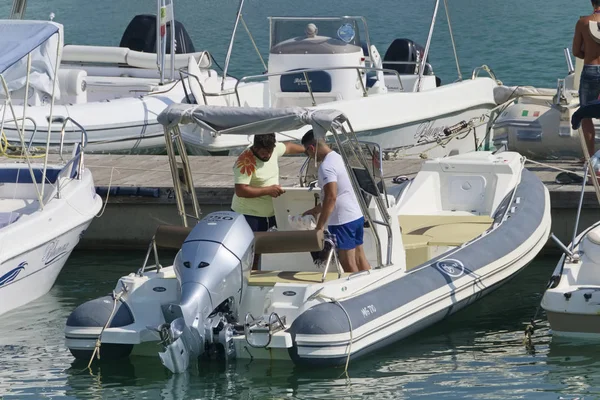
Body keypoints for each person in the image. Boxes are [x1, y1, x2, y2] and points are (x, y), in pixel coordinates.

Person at [301, 130, 371, 273]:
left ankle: (357, 291)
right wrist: (315, 211)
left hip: (342, 221)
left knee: (347, 263)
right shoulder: (338, 158)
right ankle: (372, 286)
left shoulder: (326, 167)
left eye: (306, 153)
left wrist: (319, 227)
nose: (308, 156)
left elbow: (331, 197)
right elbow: (338, 194)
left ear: (312, 149)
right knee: (360, 257)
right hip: (356, 216)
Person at [232, 133, 305, 231]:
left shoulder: (272, 148)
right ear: (256, 148)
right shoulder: (244, 161)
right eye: (264, 153)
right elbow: (240, 190)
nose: (268, 155)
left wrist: (307, 150)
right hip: (248, 215)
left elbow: (288, 147)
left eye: (270, 151)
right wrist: (268, 190)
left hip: (271, 213)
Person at [573, 0, 600, 159]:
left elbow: (576, 51)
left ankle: (589, 159)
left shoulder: (583, 22)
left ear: (592, 3)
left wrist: (588, 54)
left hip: (590, 69)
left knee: (585, 114)